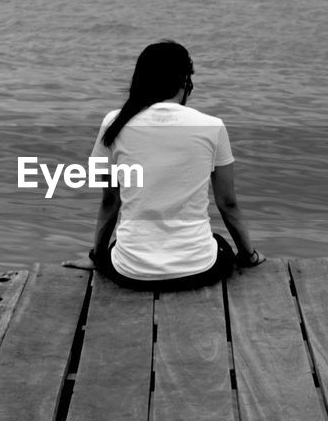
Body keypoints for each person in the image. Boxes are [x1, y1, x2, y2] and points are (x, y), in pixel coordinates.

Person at [64, 40, 264, 291]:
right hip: (197, 270)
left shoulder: (114, 122)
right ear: (185, 82)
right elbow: (228, 203)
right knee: (218, 245)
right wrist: (249, 255)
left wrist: (97, 257)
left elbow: (110, 202)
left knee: (121, 247)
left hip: (131, 272)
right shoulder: (212, 125)